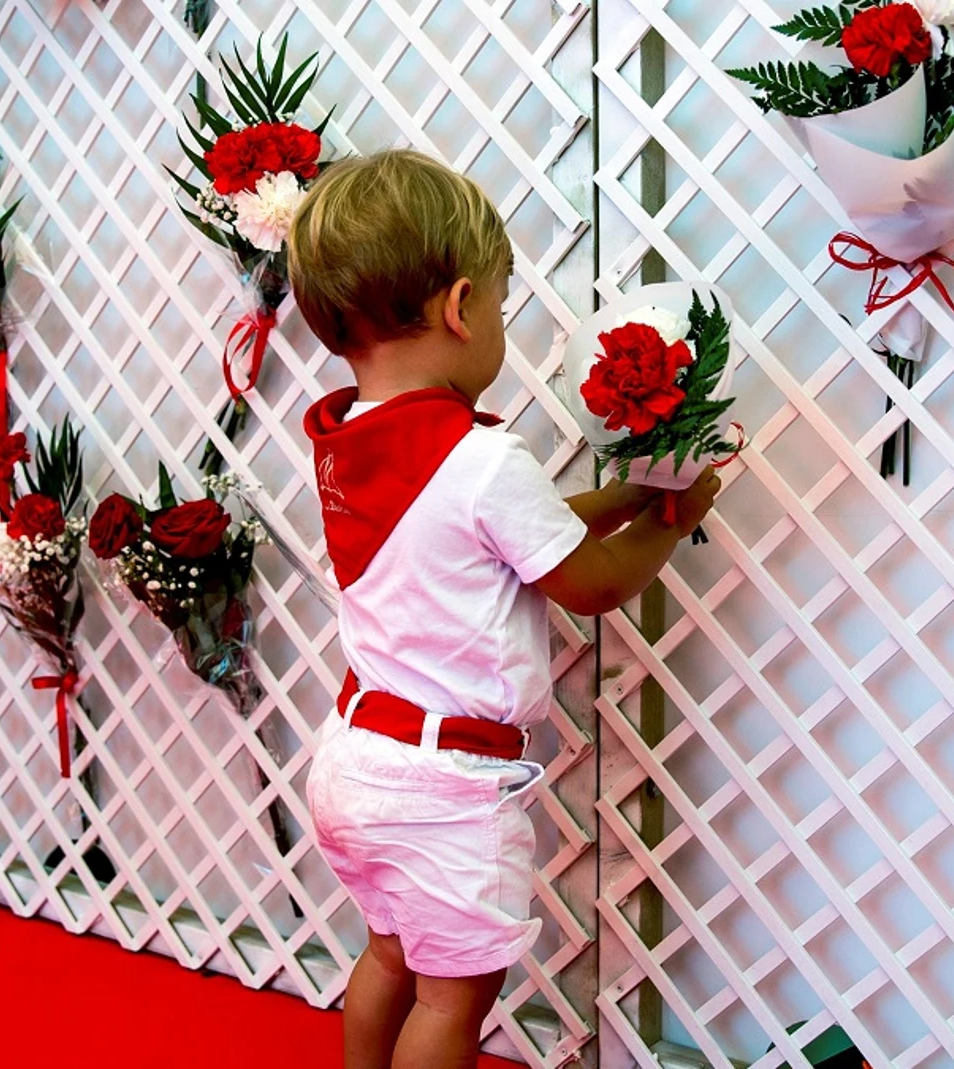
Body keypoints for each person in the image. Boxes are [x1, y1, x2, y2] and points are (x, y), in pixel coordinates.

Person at [288, 148, 718, 1069]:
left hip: (357, 761)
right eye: (501, 302)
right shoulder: (481, 460)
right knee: (455, 1000)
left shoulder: (352, 444)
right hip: (442, 787)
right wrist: (679, 520)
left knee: (387, 954)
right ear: (459, 306)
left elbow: (523, 533)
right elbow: (591, 584)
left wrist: (633, 496)